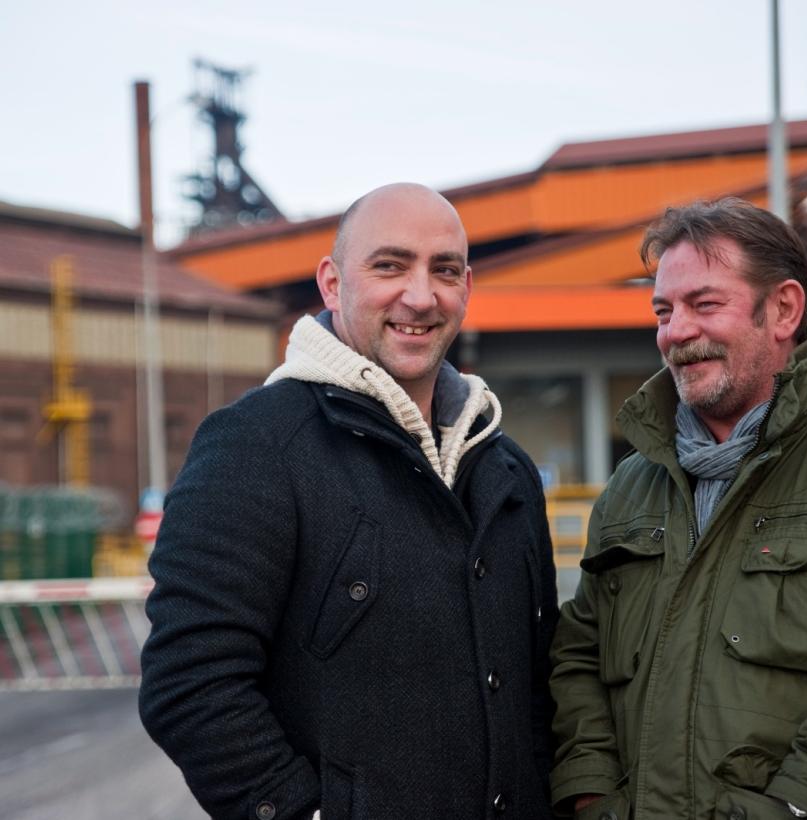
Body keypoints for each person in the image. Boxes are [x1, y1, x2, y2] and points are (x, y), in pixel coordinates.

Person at [140, 182, 558, 820]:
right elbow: (190, 680)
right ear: (332, 285)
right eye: (390, 266)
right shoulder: (256, 446)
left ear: (467, 288)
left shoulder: (506, 470)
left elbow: (536, 691)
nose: (421, 295)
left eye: (444, 270)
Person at [549, 197, 807, 820]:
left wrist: (791, 806)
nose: (675, 332)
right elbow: (580, 653)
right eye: (664, 311)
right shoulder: (631, 483)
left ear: (783, 309)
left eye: (704, 304)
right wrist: (592, 794)